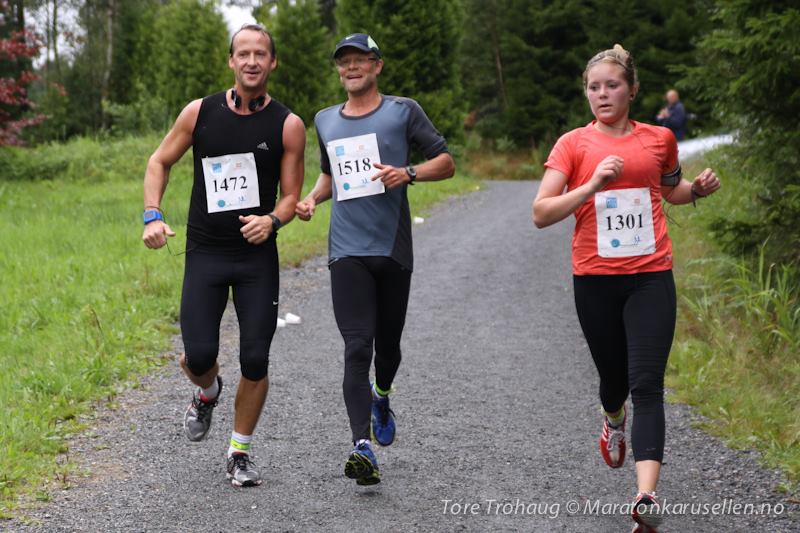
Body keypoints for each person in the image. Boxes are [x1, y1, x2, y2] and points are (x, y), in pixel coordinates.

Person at [532, 45, 720, 532]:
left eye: (612, 85)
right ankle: (613, 418)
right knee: (614, 381)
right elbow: (541, 212)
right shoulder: (572, 145)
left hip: (651, 275)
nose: (602, 94)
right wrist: (591, 186)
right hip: (595, 280)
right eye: (593, 87)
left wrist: (696, 191)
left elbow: (670, 189)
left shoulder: (659, 138)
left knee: (648, 384)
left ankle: (646, 497)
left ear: (632, 90)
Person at [141, 24, 305, 487]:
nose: (252, 61)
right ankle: (208, 392)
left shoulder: (288, 125)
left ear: (273, 62)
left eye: (261, 54)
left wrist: (272, 221)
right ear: (231, 61)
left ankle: (239, 453)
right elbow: (159, 161)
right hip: (206, 252)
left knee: (255, 358)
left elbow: (291, 197)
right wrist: (152, 215)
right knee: (197, 356)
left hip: (255, 257)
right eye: (243, 53)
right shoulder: (200, 112)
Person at [295, 33, 455, 486]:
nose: (351, 68)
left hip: (392, 248)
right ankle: (361, 445)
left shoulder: (403, 111)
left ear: (377, 66)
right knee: (356, 346)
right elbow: (330, 175)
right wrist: (311, 199)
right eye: (344, 62)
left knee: (388, 348)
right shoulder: (325, 119)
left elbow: (446, 162)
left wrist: (408, 173)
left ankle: (381, 394)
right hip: (347, 249)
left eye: (360, 60)